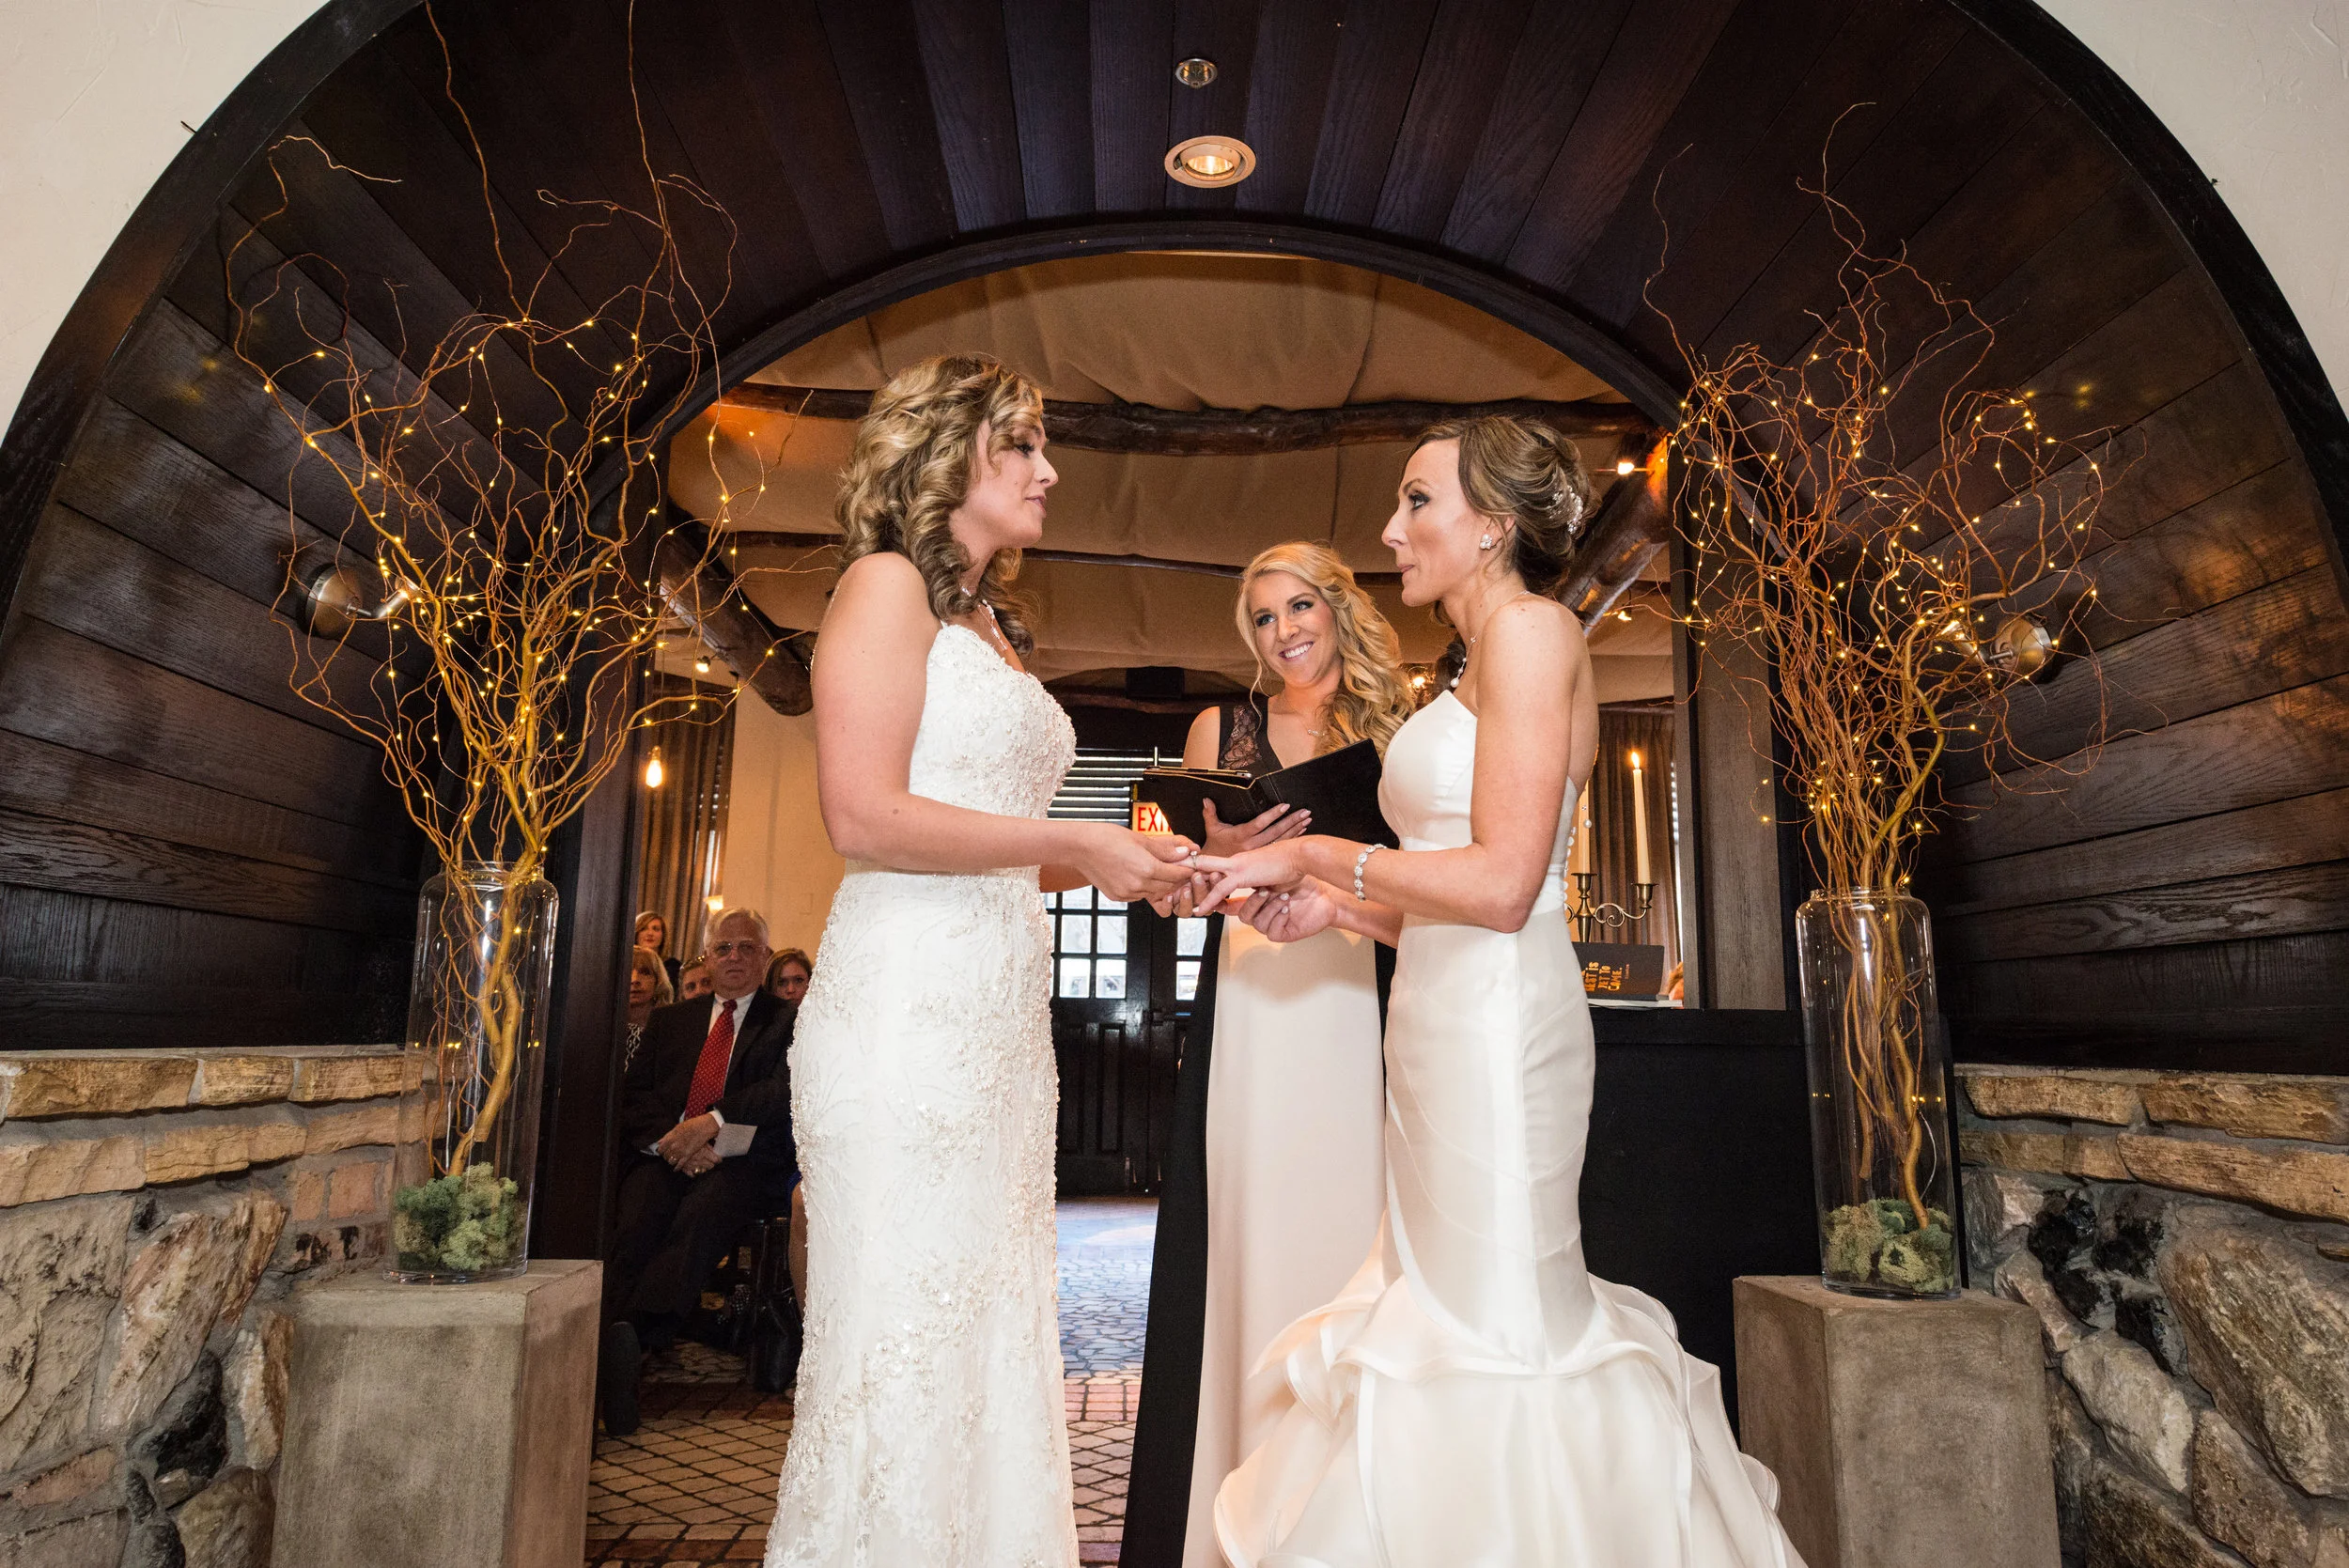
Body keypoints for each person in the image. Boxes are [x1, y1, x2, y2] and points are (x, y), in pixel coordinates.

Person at [1191, 417, 1803, 1567]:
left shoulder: (1531, 629)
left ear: (1490, 524)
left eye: (1416, 500)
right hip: (1434, 1019)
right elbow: (1440, 895)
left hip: (1496, 1033)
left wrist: (1316, 856)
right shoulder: (1472, 661)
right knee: (1441, 1315)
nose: (1391, 529)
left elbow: (1506, 885)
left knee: (1498, 1323)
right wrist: (1337, 912)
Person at [768, 353, 1194, 1567]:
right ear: (945, 451)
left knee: (989, 1349)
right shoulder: (883, 586)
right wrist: (1074, 840)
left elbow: (995, 843)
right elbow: (862, 814)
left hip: (998, 1039)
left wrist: (1121, 862)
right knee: (899, 1351)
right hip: (905, 1021)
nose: (1047, 469)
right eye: (1021, 444)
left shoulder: (992, 626)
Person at [1124, 542, 1416, 1568]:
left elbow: (1427, 884)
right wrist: (1215, 857)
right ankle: (1240, 1489)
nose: (1283, 630)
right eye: (1262, 617)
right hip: (1253, 992)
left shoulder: (1397, 728)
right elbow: (1177, 890)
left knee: (1355, 1220)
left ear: (1337, 608)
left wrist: (1329, 865)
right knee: (1250, 1219)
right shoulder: (1221, 729)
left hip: (1355, 989)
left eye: (1298, 607)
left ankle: (1350, 1512)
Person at [600, 907, 799, 1436]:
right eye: (723, 948)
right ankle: (612, 1343)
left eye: (747, 947)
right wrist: (673, 1142)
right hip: (665, 1154)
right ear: (707, 958)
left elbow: (781, 1092)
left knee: (700, 1220)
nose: (734, 957)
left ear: (765, 955)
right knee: (637, 1218)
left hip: (740, 1162)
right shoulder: (672, 1021)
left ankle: (632, 1337)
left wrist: (711, 1124)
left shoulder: (786, 1021)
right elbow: (635, 1097)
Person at [625, 945, 673, 1071]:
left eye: (645, 972)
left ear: (658, 980)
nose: (635, 980)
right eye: (628, 970)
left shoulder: (669, 1030)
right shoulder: (604, 1029)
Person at [636, 909, 682, 993]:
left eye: (656, 929)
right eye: (644, 929)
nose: (650, 933)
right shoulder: (625, 964)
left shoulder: (674, 967)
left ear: (663, 936)